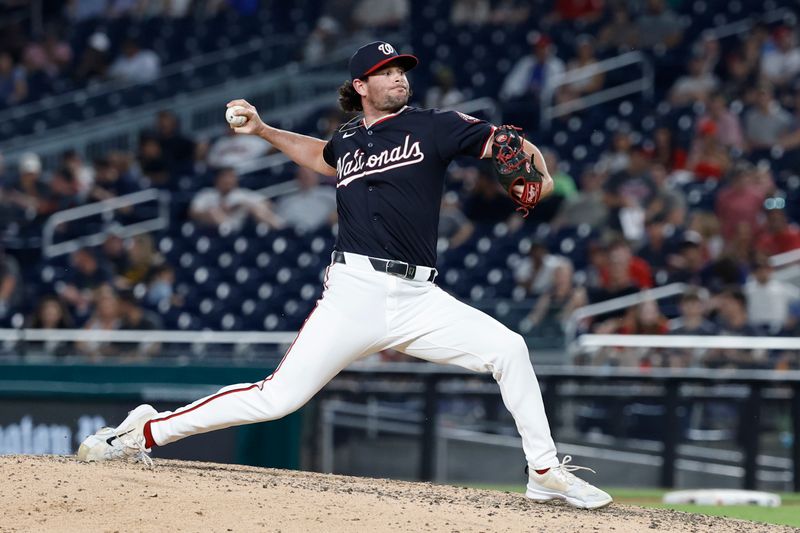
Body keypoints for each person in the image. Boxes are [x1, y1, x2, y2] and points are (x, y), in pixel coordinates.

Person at [79, 41, 612, 510]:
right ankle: (143, 432)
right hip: (354, 292)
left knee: (510, 349)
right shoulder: (350, 137)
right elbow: (320, 155)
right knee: (276, 399)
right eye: (386, 71)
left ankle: (543, 473)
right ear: (361, 85)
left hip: (418, 295)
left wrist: (538, 168)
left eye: (402, 69)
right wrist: (263, 129)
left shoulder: (434, 125)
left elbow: (505, 143)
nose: (399, 76)